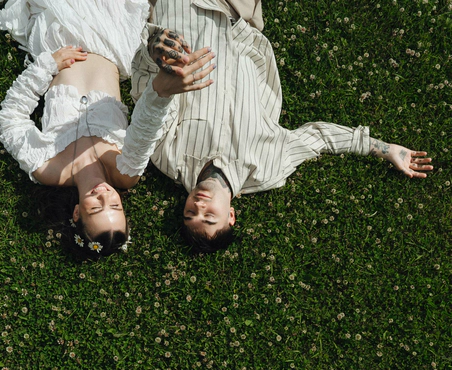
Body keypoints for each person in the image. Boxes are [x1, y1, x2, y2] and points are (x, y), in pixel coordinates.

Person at [115, 0, 434, 253]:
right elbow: (319, 138)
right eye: (209, 216)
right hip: (239, 16)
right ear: (230, 215)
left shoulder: (167, 158)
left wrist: (153, 48)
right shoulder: (268, 167)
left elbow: (149, 94)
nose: (198, 206)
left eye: (190, 214)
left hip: (182, 11)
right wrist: (384, 149)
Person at [0, 0, 204, 259]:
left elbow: (10, 119)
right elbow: (145, 129)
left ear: (77, 212)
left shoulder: (47, 168)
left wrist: (47, 66)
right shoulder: (126, 172)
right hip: (112, 36)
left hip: (59, 34)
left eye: (95, 208)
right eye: (115, 205)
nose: (104, 196)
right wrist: (161, 92)